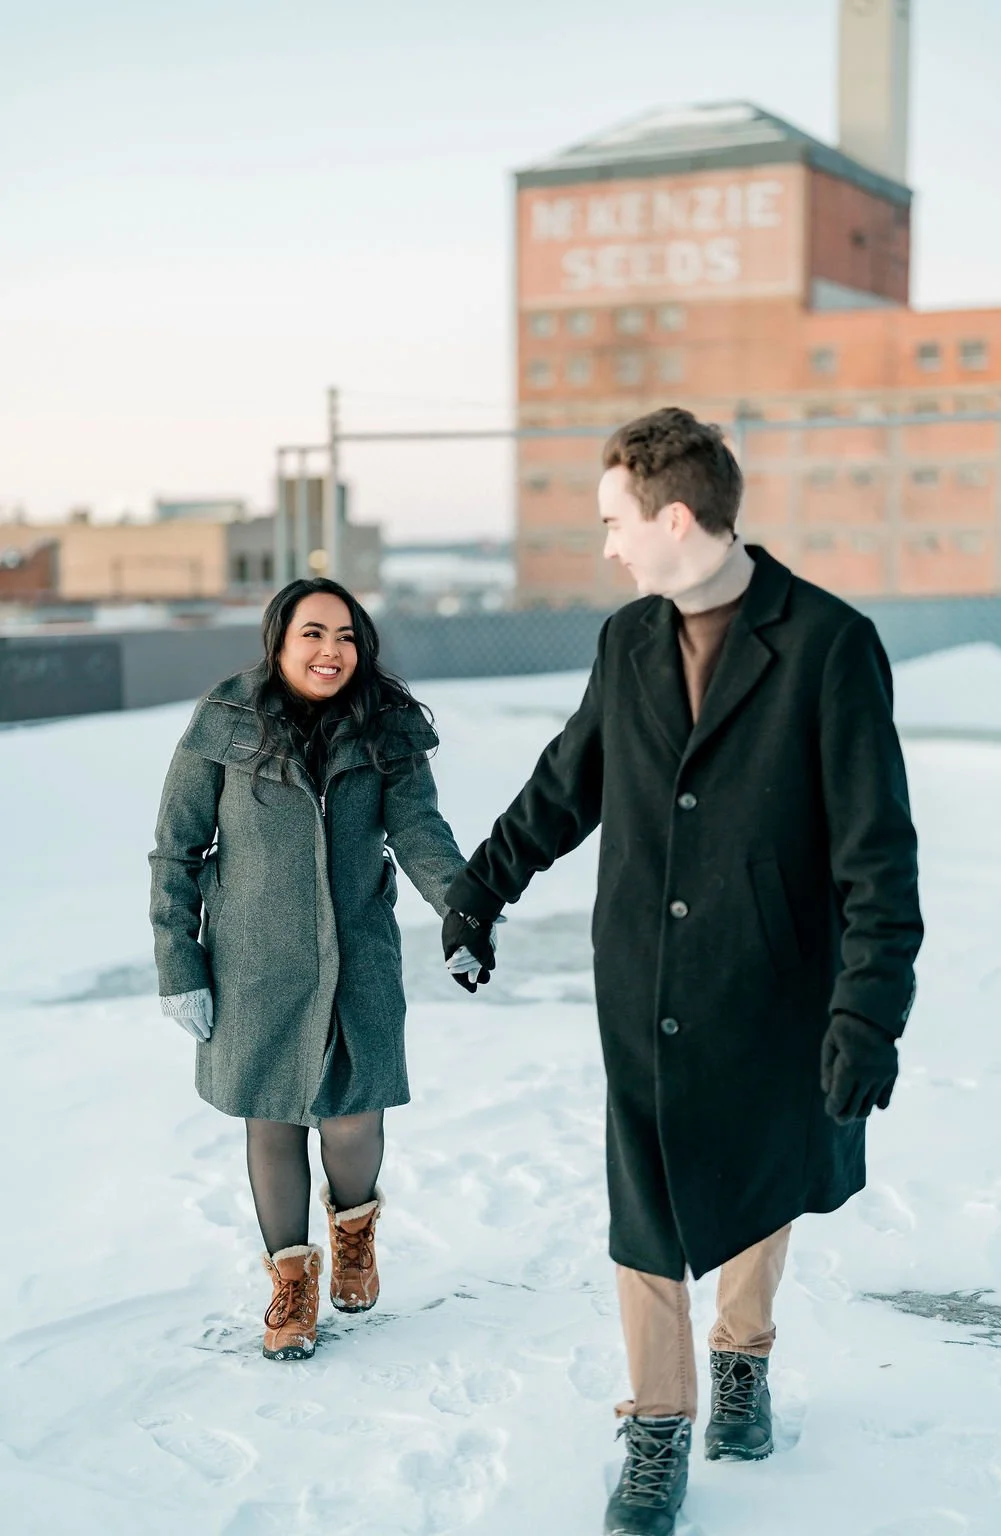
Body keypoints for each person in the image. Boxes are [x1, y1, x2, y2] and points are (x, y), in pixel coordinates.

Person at [442, 408, 923, 1535]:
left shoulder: (826, 643)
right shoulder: (628, 643)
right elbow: (567, 783)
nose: (606, 546)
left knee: (758, 1171)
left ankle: (742, 1355)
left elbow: (875, 849)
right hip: (644, 980)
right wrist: (479, 888)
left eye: (614, 520)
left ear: (673, 515)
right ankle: (657, 1423)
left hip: (771, 982)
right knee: (646, 1199)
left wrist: (868, 1012)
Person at [151, 577, 470, 1361]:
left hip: (359, 953)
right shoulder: (223, 725)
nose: (332, 652)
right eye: (314, 634)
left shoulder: (385, 729)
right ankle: (291, 1282)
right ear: (280, 641)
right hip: (255, 960)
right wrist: (177, 961)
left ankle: (353, 1231)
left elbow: (421, 833)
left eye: (347, 637)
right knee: (275, 1116)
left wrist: (466, 911)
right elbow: (176, 852)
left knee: (355, 1112)